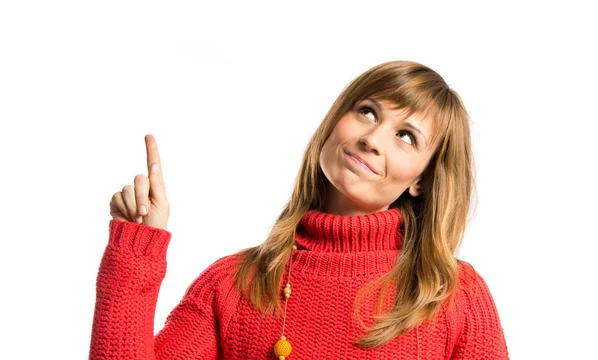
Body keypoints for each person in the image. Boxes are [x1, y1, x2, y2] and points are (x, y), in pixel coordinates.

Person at [88, 60, 510, 359]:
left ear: (421, 179)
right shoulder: (235, 285)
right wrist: (135, 250)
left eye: (406, 136)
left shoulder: (454, 296)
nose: (373, 138)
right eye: (366, 111)